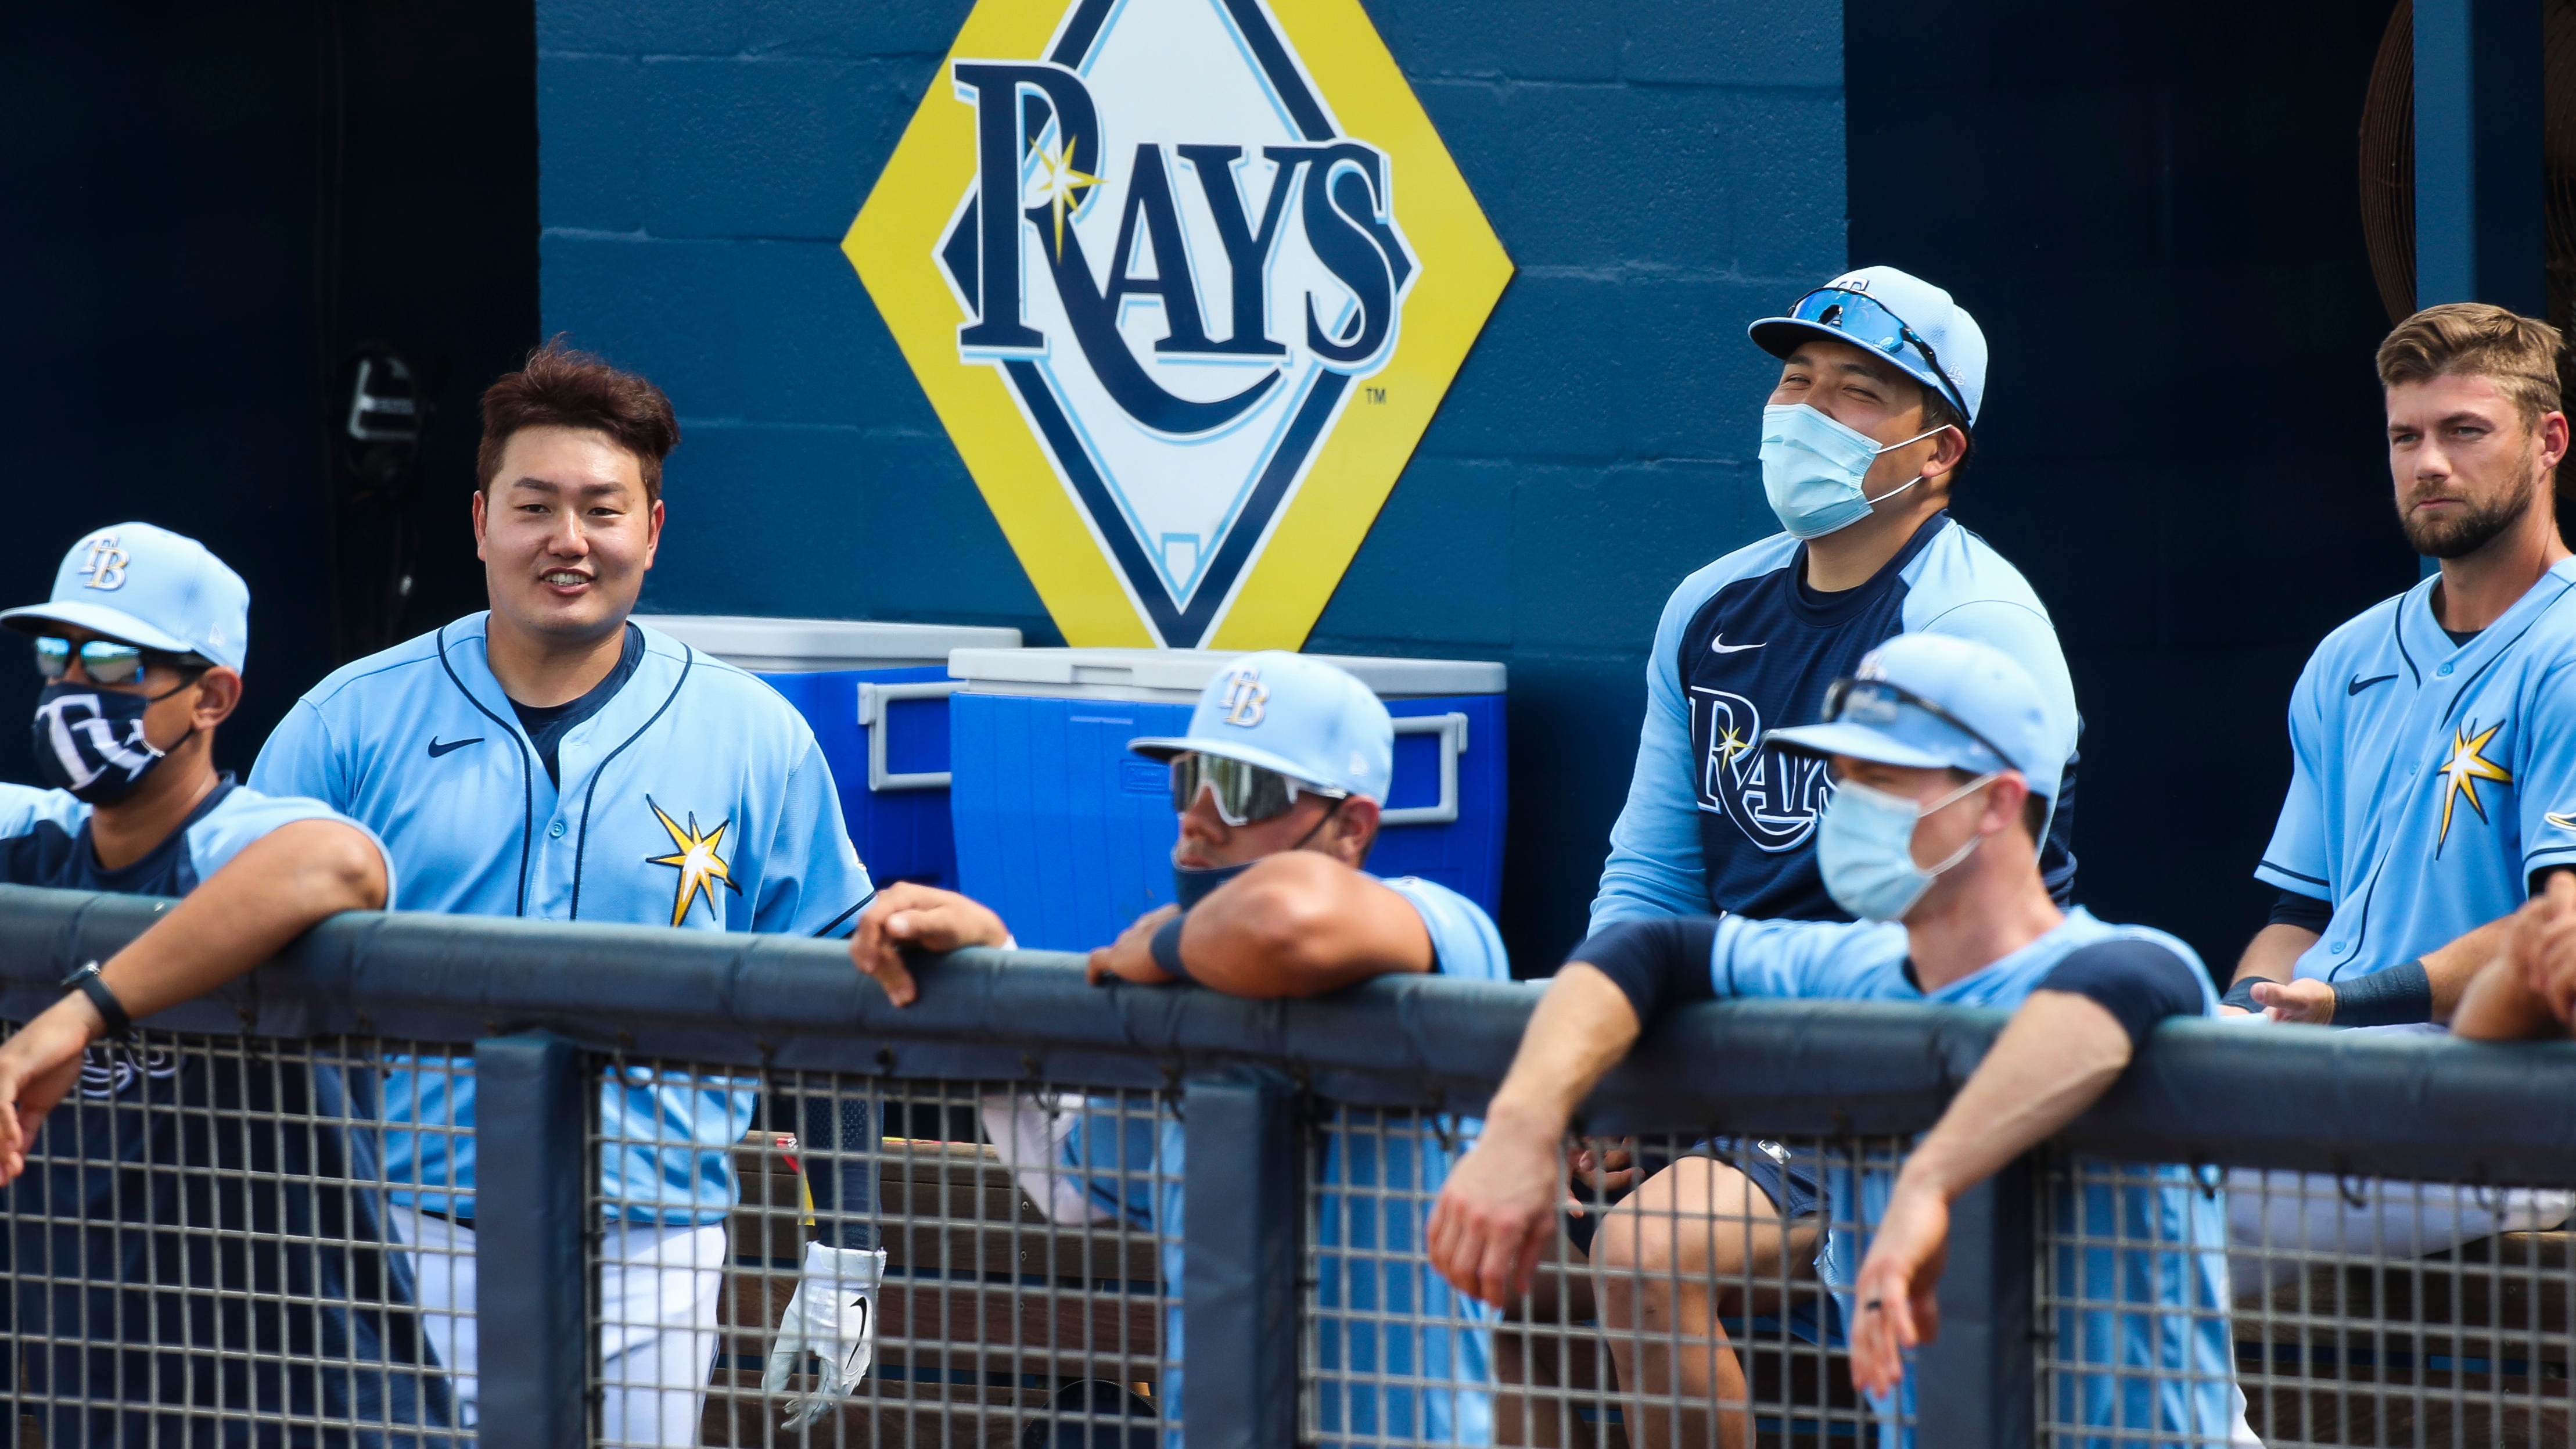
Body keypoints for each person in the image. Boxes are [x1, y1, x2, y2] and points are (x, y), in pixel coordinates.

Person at [249, 342, 881, 1441]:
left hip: (654, 1247)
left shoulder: (753, 734)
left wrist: (847, 1253)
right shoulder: (348, 719)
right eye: (537, 507)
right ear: (483, 520)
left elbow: (832, 999)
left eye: (603, 507)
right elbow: (240, 970)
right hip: (398, 1236)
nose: (569, 541)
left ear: (653, 529)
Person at [1428, 633, 2248, 1449]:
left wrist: (1929, 1182)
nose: (1848, 805)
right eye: (1845, 778)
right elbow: (1644, 951)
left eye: (1882, 781)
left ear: (1997, 802)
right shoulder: (1855, 963)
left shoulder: (2123, 959)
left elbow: (2120, 991)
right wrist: (1522, 1123)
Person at [1568, 265, 2083, 1435]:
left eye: (1857, 393)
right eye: (1794, 382)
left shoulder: (1968, 624)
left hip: (1900, 1057)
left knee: (1644, 1254)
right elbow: (1650, 873)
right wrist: (1612, 1072)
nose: (1806, 411)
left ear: (1937, 451)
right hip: (1728, 1047)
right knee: (1492, 1218)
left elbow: (1997, 919)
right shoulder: (1710, 607)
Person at [852, 651, 1510, 1446]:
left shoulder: (1441, 929)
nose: (1197, 817)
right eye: (1190, 779)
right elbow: (1067, 1175)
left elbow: (1289, 922)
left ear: (1353, 828)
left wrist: (1165, 940)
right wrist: (996, 963)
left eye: (1243, 790)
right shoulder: (1185, 993)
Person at [0, 523, 447, 1443]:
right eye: (59, 656)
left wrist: (77, 1016)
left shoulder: (246, 836)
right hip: (110, 1398)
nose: (75, 688)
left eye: (117, 664)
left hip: (312, 1395)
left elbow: (340, 862)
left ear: (211, 695)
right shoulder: (37, 838)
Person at [2215, 303, 2576, 1274]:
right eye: (2406, 436)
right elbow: (2300, 913)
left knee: (2124, 1198)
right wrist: (2254, 1007)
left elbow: (2556, 935)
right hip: (2338, 1072)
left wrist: (2342, 1005)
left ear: (2549, 442)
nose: (2430, 465)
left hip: (2508, 1094)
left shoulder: (2568, 646)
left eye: (2465, 432)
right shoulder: (2351, 655)